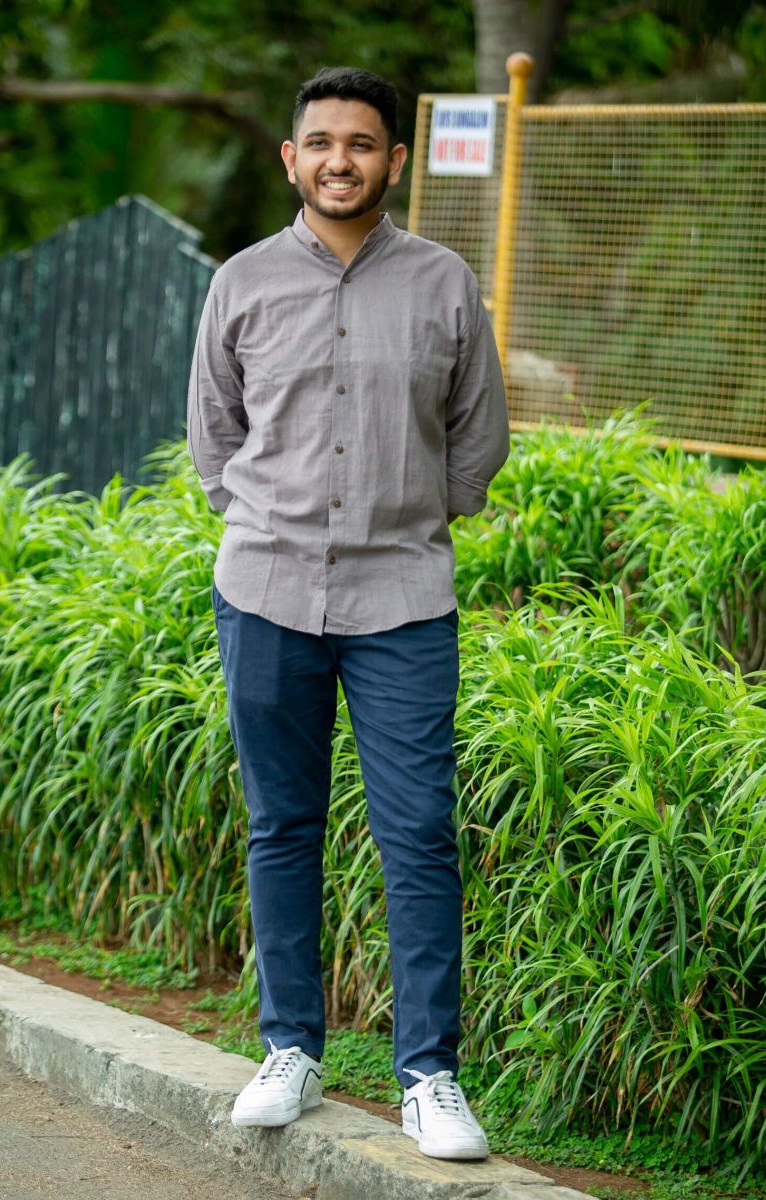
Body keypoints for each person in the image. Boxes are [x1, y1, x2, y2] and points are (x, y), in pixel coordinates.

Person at [187, 65, 509, 1161]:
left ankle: (430, 1075)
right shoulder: (239, 283)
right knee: (282, 824)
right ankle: (292, 1047)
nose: (340, 161)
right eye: (320, 142)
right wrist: (270, 522)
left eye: (362, 144)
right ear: (293, 159)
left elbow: (477, 439)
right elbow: (213, 439)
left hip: (403, 599)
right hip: (266, 590)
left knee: (417, 833)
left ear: (394, 160)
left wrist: (410, 516)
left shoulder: (444, 283)